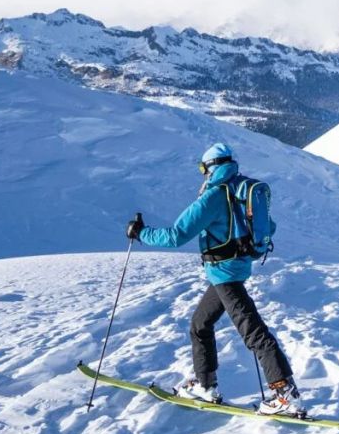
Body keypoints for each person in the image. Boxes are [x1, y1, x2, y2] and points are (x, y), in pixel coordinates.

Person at [126, 142, 306, 417]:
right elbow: (268, 227)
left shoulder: (213, 196)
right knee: (200, 324)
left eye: (203, 169)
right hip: (234, 268)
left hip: (225, 273)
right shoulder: (241, 189)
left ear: (210, 167)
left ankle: (285, 394)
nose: (203, 175)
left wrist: (141, 234)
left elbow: (176, 235)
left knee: (253, 331)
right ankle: (205, 385)